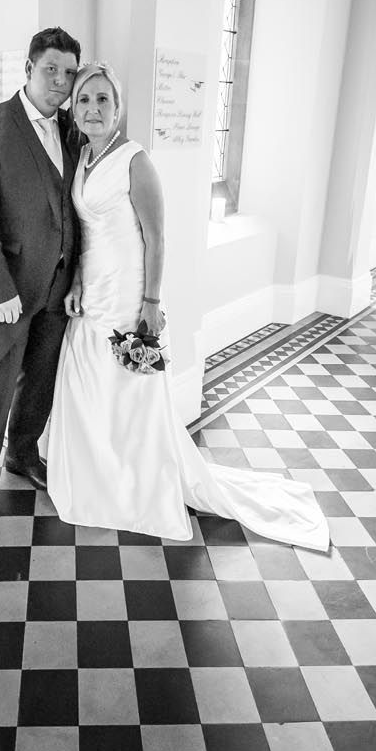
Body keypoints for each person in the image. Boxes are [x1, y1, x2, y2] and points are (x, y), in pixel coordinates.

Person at [46, 63, 330, 550]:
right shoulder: (83, 159)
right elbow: (84, 231)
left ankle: (137, 480)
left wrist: (151, 302)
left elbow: (157, 239)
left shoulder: (135, 160)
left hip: (128, 291)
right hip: (91, 289)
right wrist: (74, 280)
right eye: (85, 99)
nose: (93, 108)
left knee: (129, 390)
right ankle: (101, 472)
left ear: (119, 109)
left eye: (103, 100)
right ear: (73, 106)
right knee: (90, 383)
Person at [0, 27, 83, 524]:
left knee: (40, 381)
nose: (60, 81)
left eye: (68, 72)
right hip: (8, 289)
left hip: (57, 287)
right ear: (28, 70)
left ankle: (23, 453)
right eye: (50, 69)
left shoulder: (72, 131)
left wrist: (76, 278)